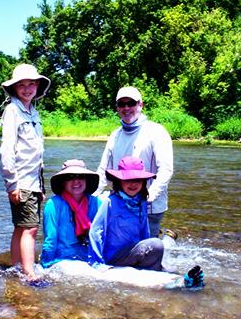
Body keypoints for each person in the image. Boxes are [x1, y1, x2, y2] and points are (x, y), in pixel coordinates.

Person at [96, 86, 173, 238]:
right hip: (121, 204)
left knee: (147, 250)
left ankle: (168, 239)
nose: (126, 108)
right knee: (123, 249)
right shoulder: (115, 135)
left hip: (150, 206)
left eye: (131, 103)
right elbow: (103, 170)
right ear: (117, 107)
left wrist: (150, 195)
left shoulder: (156, 132)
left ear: (140, 105)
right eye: (121, 104)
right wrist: (90, 195)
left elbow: (166, 169)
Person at [0, 63, 50, 281]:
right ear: (15, 87)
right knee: (30, 228)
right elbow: (7, 149)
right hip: (20, 181)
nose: (27, 88)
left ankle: (17, 268)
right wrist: (12, 184)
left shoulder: (33, 112)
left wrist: (41, 186)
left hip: (33, 183)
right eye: (22, 84)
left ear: (38, 86)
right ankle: (30, 274)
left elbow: (37, 155)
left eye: (31, 84)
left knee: (21, 227)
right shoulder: (12, 110)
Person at [89, 156, 165, 271]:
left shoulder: (141, 202)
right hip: (114, 257)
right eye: (128, 180)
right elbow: (95, 232)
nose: (133, 184)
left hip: (133, 253)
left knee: (168, 266)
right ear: (119, 181)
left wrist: (148, 255)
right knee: (157, 244)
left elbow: (144, 231)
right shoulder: (110, 202)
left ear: (143, 182)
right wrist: (97, 263)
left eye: (137, 180)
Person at [40, 159, 102, 268]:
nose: (76, 181)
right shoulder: (53, 204)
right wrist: (46, 266)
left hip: (90, 258)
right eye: (70, 177)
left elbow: (104, 237)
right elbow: (50, 239)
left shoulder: (97, 203)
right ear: (63, 182)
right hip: (62, 260)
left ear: (86, 180)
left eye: (80, 177)